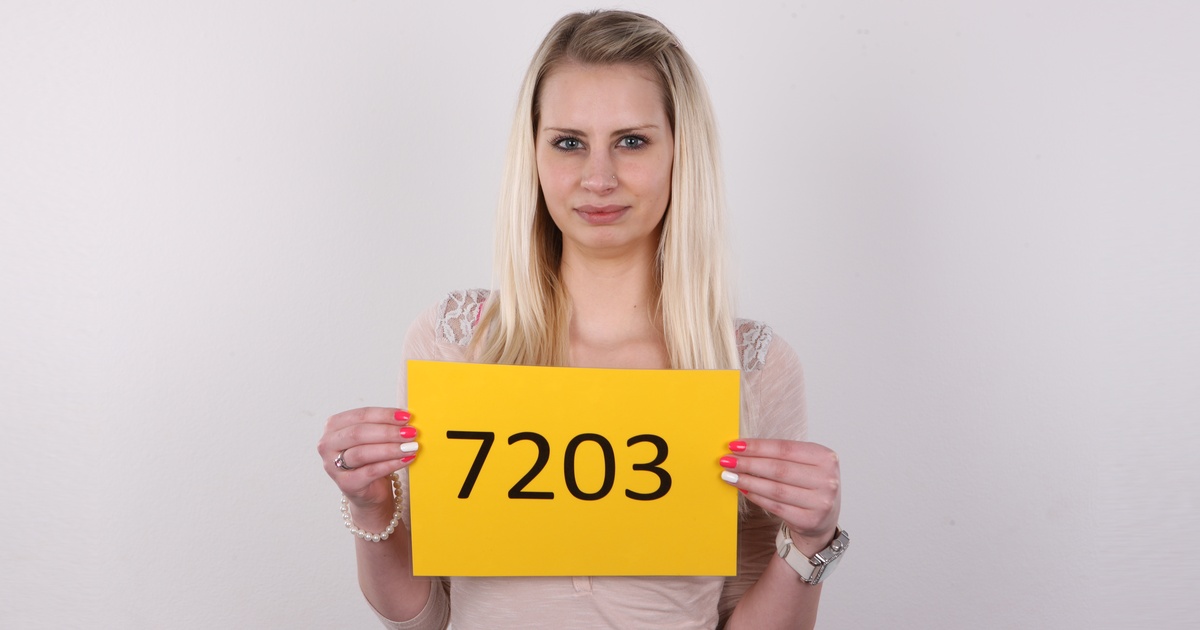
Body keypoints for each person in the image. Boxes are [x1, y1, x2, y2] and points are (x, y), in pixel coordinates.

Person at [317, 10, 844, 629]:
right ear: (533, 154)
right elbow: (425, 618)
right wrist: (371, 505)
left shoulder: (747, 367)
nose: (598, 178)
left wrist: (811, 541)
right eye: (569, 142)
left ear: (681, 151)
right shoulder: (457, 342)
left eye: (632, 141)